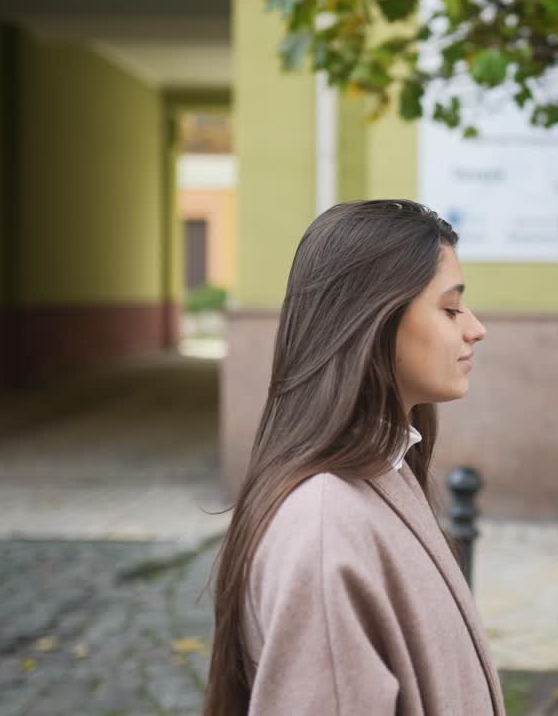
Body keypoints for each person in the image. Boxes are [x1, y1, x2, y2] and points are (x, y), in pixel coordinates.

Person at [202, 199, 500, 715]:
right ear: (373, 320)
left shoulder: (387, 470)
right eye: (450, 309)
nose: (475, 328)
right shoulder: (324, 531)